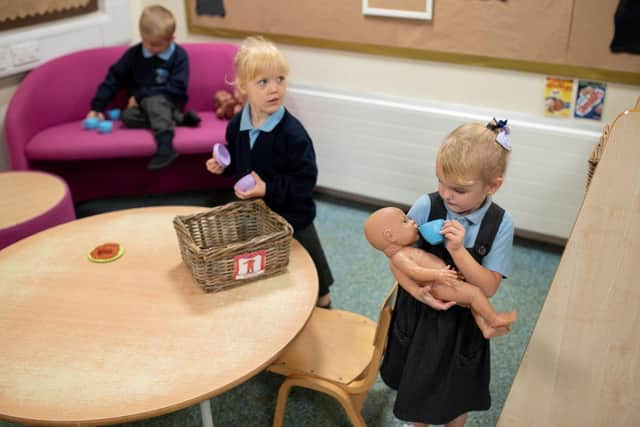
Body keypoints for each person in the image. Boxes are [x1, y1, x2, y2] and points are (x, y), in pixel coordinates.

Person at [380, 118, 515, 427]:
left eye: (459, 189)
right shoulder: (426, 206)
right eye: (440, 181)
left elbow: (489, 288)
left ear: (493, 185)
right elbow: (396, 258)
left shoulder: (500, 224)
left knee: (457, 394)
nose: (446, 194)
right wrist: (417, 292)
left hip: (461, 326)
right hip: (420, 313)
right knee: (417, 388)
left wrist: (458, 252)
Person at [205, 36, 334, 308]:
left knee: (309, 257)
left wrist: (269, 189)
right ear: (243, 87)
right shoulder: (237, 123)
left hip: (292, 212)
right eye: (263, 82)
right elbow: (238, 161)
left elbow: (305, 181)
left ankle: (323, 298)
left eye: (280, 79)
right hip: (255, 212)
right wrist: (224, 166)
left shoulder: (293, 135)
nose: (274, 89)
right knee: (261, 262)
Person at [364, 206, 516, 339]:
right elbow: (415, 273)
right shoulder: (399, 257)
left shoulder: (405, 251)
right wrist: (438, 275)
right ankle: (493, 319)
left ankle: (484, 326)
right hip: (437, 285)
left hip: (442, 280)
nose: (413, 222)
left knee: (469, 302)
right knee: (474, 293)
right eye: (405, 221)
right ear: (389, 236)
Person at [86, 4, 201, 171]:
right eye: (147, 43)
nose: (152, 49)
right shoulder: (134, 54)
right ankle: (178, 119)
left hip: (169, 102)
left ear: (171, 39)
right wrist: (97, 107)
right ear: (141, 35)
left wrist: (140, 96)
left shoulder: (179, 56)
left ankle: (165, 147)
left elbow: (178, 89)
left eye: (157, 45)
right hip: (141, 108)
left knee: (154, 101)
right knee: (127, 117)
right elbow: (114, 78)